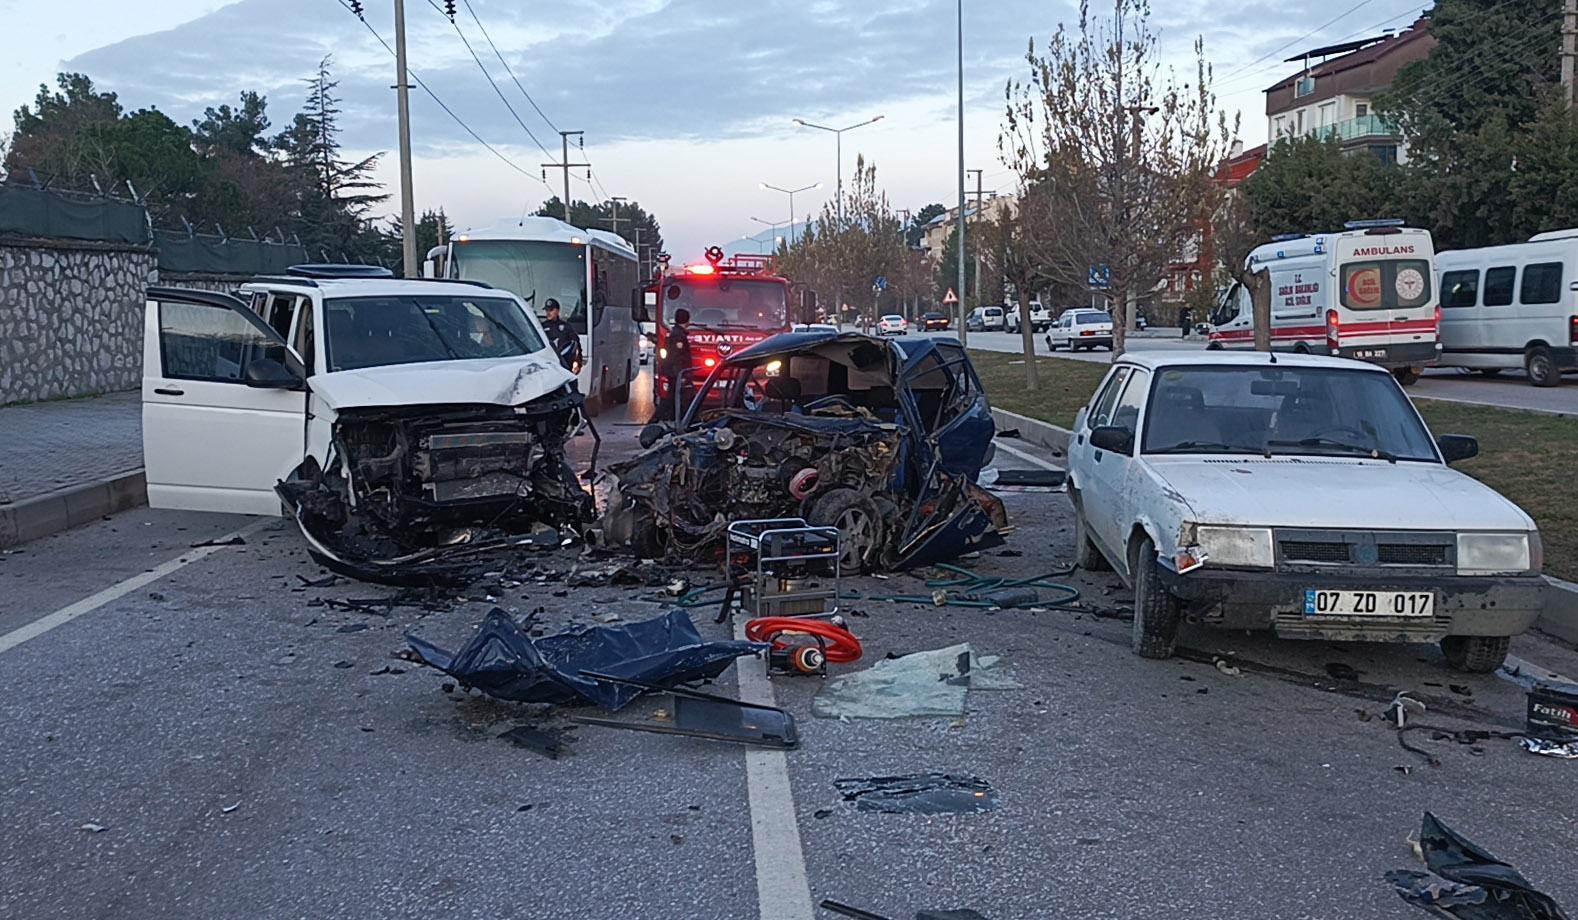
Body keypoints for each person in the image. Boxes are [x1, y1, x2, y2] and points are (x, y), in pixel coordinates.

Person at [658, 307, 693, 421]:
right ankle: (678, 419)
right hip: (677, 373)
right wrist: (681, 375)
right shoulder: (679, 336)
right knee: (677, 398)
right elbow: (677, 357)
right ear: (686, 321)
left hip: (674, 372)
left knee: (672, 398)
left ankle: (672, 418)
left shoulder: (675, 332)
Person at [541, 298, 582, 374]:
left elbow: (575, 343)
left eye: (551, 310)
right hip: (548, 364)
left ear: (557, 311)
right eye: (547, 310)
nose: (548, 313)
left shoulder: (565, 327)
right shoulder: (541, 327)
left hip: (564, 363)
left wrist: (578, 362)